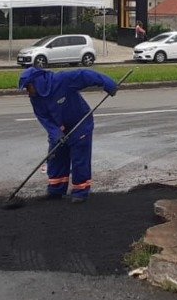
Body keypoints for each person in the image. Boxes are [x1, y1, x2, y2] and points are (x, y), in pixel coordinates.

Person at [19, 67, 119, 203]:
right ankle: (56, 189)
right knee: (55, 155)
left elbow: (86, 75)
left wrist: (108, 84)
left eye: (28, 87)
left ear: (37, 82)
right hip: (59, 128)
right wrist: (56, 134)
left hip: (80, 123)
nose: (28, 92)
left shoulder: (63, 80)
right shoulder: (35, 98)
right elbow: (44, 118)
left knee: (79, 156)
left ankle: (80, 191)